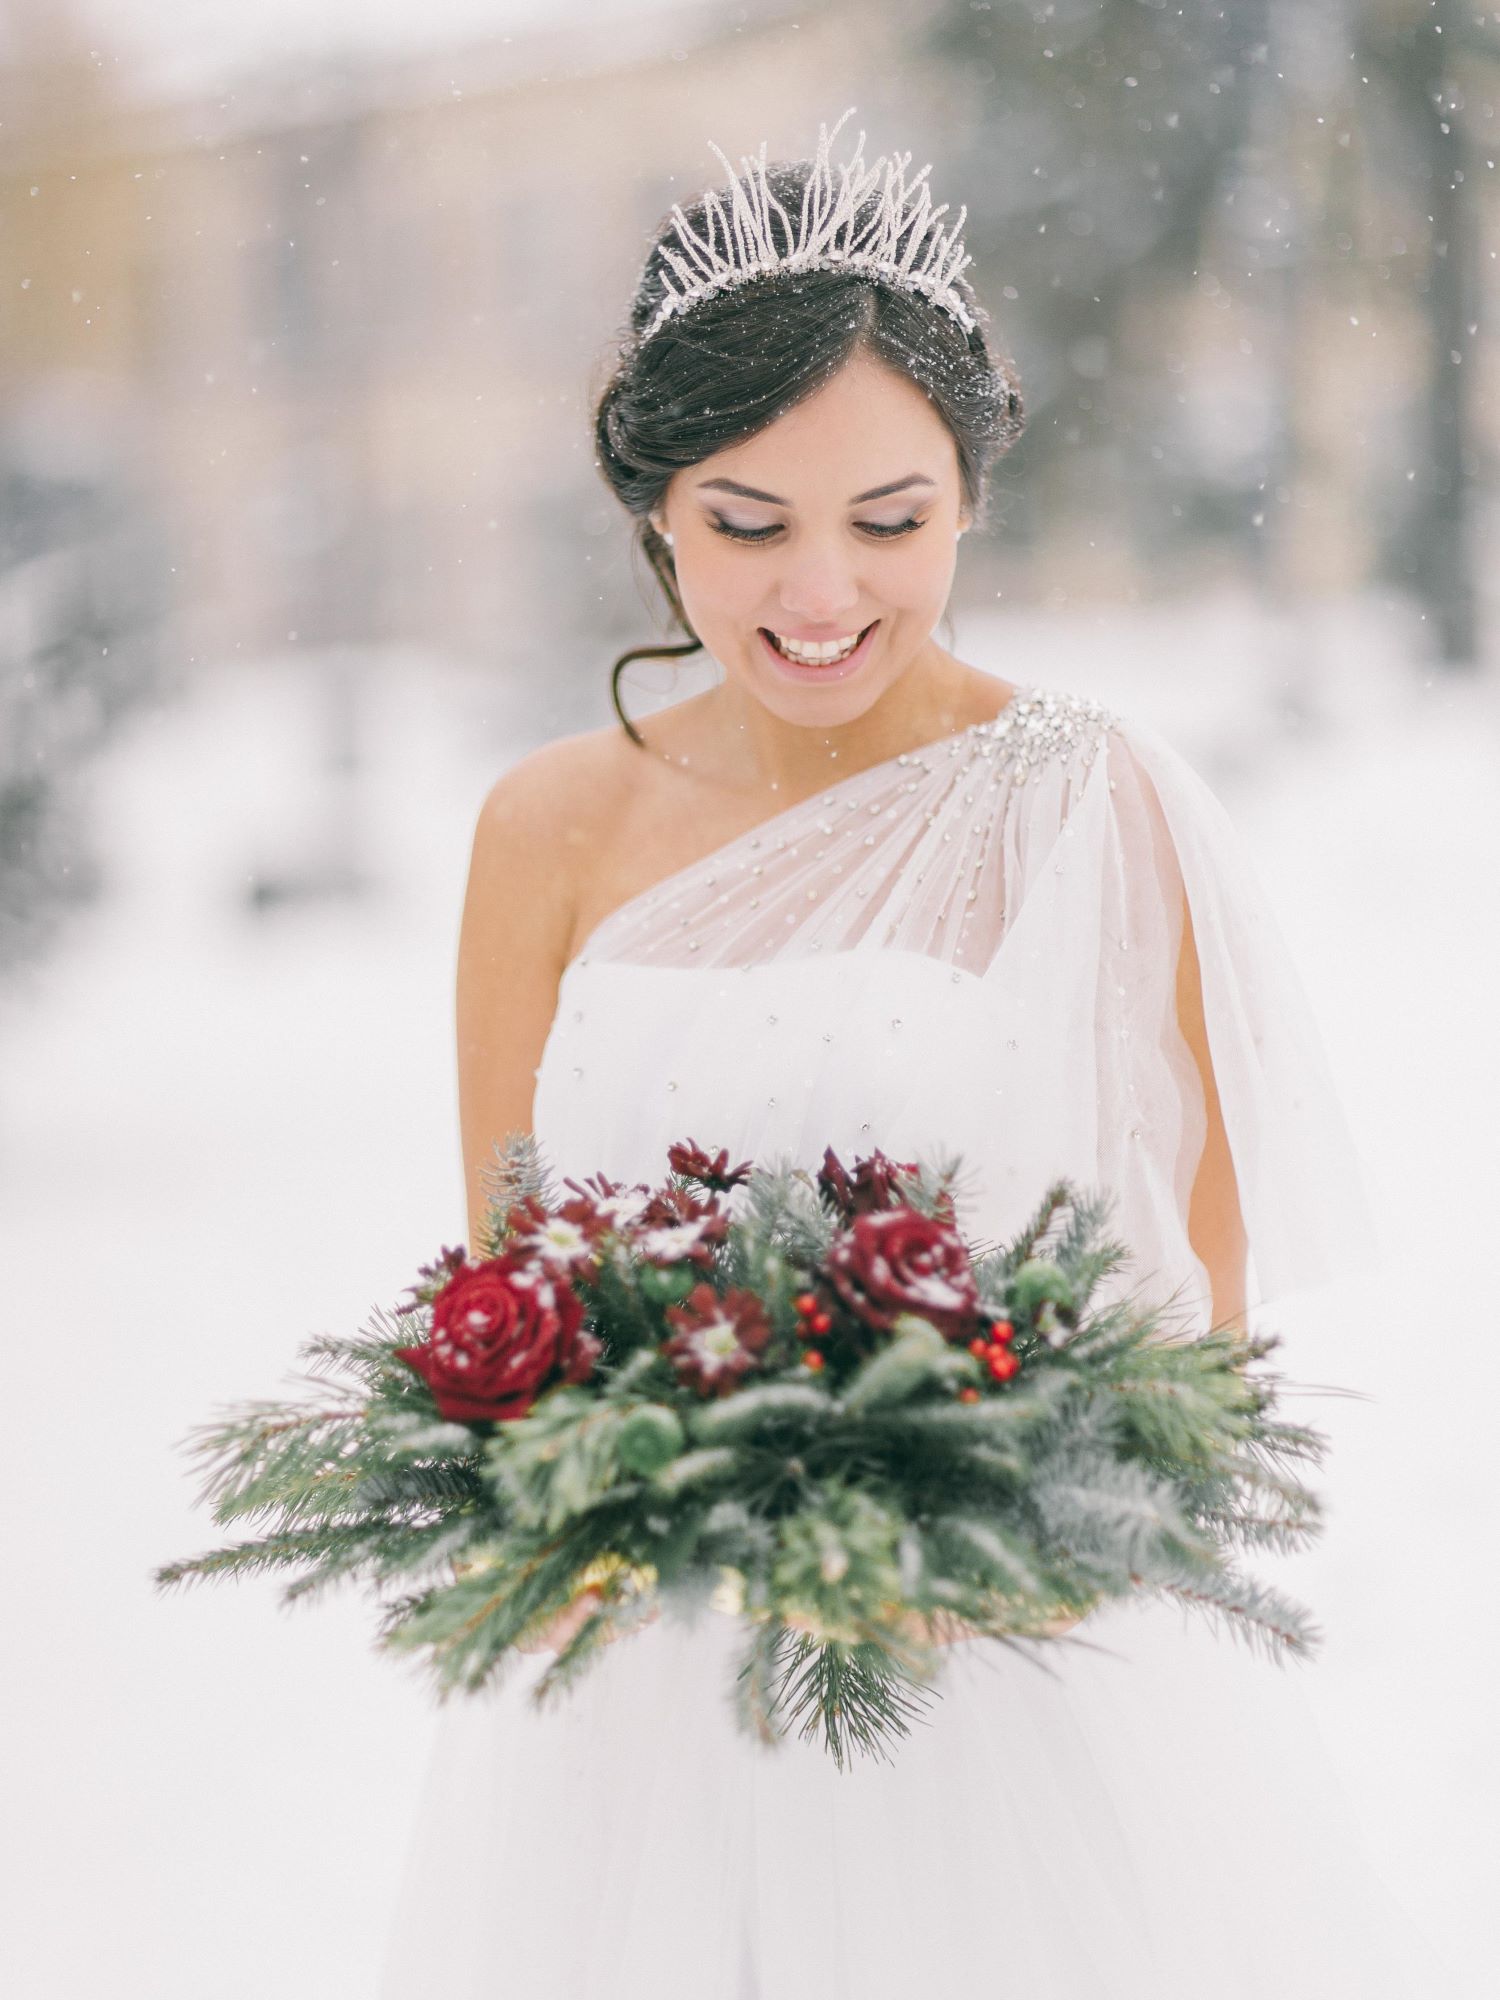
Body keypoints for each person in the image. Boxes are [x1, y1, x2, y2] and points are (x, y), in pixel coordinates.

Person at [379, 110, 1434, 1999]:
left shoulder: (1089, 803)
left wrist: (988, 1541)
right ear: (653, 509)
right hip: (644, 1701)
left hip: (1011, 1655)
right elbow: (510, 1276)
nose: (819, 598)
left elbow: (1200, 1333)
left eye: (889, 522)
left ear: (971, 495)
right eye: (745, 524)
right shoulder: (542, 829)